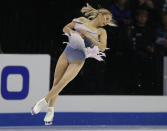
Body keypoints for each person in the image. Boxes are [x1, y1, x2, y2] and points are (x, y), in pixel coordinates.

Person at [31, 3, 114, 125]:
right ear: (100, 15)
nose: (106, 22)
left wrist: (89, 36)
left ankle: (43, 102)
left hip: (79, 59)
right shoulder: (81, 20)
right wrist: (74, 33)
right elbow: (65, 28)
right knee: (56, 82)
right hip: (67, 53)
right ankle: (50, 110)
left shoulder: (101, 31)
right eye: (106, 18)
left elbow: (102, 47)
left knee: (63, 82)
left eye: (109, 21)